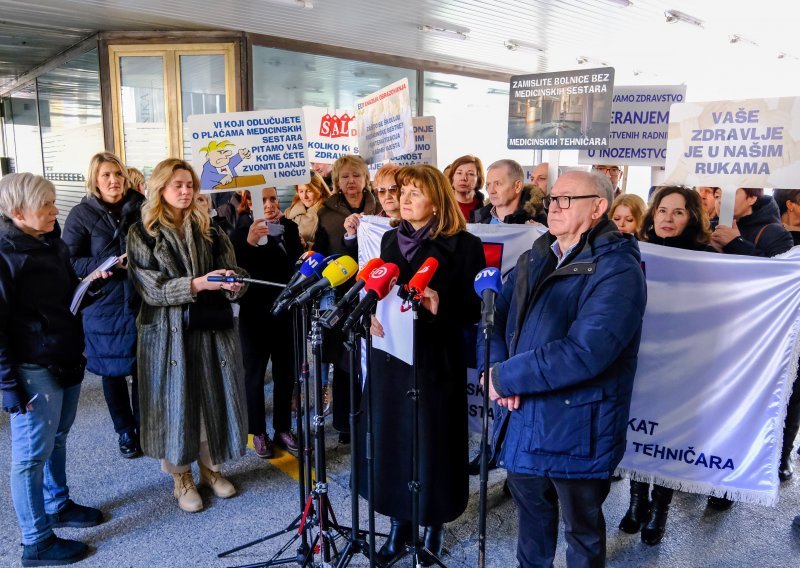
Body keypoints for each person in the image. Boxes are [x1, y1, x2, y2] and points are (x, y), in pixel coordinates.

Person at [481, 170, 647, 567]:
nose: (552, 206)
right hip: (523, 417)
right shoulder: (537, 253)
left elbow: (585, 351)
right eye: (552, 198)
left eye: (565, 199)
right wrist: (498, 369)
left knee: (581, 533)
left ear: (598, 208)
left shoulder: (619, 270)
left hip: (578, 428)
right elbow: (495, 320)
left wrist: (506, 377)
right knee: (533, 524)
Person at [365, 164, 485, 566]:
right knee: (398, 440)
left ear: (436, 201)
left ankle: (434, 526)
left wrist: (441, 304)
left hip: (437, 361)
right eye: (402, 192)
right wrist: (370, 313)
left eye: (414, 193)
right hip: (394, 359)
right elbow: (379, 289)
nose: (404, 199)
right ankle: (400, 525)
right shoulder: (387, 240)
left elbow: (474, 309)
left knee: (433, 444)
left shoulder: (465, 245)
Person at [127, 158, 248, 513]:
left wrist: (233, 282)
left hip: (209, 327)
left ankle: (211, 468)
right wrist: (197, 284)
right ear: (160, 189)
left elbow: (234, 268)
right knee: (176, 401)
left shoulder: (210, 226)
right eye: (177, 185)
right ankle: (181, 476)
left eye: (189, 185)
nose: (185, 191)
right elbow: (151, 288)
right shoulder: (142, 232)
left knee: (212, 395)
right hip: (167, 333)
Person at [1, 173, 104, 566]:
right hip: (31, 366)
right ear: (17, 212)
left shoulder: (51, 242)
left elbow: (65, 295)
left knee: (57, 438)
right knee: (29, 455)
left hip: (65, 356)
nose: (53, 210)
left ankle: (57, 505)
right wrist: (9, 386)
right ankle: (36, 542)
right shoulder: (5, 254)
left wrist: (89, 287)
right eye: (45, 205)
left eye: (52, 202)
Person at [619, 186, 712, 546]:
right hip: (640, 358)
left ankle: (660, 509)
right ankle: (636, 501)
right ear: (652, 213)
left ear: (692, 218)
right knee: (639, 432)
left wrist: (734, 244)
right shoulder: (635, 250)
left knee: (669, 436)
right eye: (662, 210)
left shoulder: (706, 257)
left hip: (682, 364)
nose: (668, 219)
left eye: (678, 212)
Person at [707, 188, 793, 508]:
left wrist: (736, 245)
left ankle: (728, 483)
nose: (720, 198)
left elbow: (781, 278)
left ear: (753, 198)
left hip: (753, 340)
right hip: (714, 331)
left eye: (729, 192)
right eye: (716, 192)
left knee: (740, 410)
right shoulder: (709, 225)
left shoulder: (773, 232)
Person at [62, 152, 144, 459]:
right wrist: (107, 263)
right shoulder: (80, 214)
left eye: (118, 174)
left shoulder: (142, 207)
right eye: (106, 175)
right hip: (103, 303)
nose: (114, 180)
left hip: (140, 299)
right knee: (112, 372)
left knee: (142, 368)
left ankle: (143, 425)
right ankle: (125, 430)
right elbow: (69, 260)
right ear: (95, 180)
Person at [231, 187, 303, 459]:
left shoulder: (289, 228)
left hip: (286, 310)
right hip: (255, 313)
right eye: (263, 200)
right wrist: (249, 243)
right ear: (249, 203)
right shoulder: (239, 233)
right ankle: (258, 432)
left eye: (273, 199)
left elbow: (296, 263)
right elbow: (236, 270)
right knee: (255, 375)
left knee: (286, 373)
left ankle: (283, 428)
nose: (270, 205)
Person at [315, 154, 380, 441]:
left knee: (373, 359)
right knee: (343, 361)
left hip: (377, 294)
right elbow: (320, 251)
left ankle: (372, 417)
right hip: (342, 294)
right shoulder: (326, 213)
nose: (351, 181)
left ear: (366, 178)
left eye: (356, 175)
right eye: (345, 177)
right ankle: (344, 423)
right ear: (337, 182)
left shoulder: (382, 208)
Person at [710, 188, 794, 257]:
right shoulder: (709, 229)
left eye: (729, 194)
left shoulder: (775, 233)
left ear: (752, 198)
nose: (720, 201)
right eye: (717, 196)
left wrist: (736, 243)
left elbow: (779, 271)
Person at [472, 159, 533, 224]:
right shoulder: (476, 219)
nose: (491, 191)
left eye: (498, 183)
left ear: (517, 186)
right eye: (488, 184)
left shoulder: (538, 225)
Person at [284, 169, 331, 250]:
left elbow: (330, 247)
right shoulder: (288, 212)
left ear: (320, 189)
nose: (304, 197)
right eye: (301, 191)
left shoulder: (329, 214)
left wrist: (306, 245)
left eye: (309, 191)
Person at [447, 154, 485, 221]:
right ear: (452, 177)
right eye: (459, 173)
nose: (463, 178)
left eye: (470, 174)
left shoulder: (487, 209)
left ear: (478, 180)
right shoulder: (441, 206)